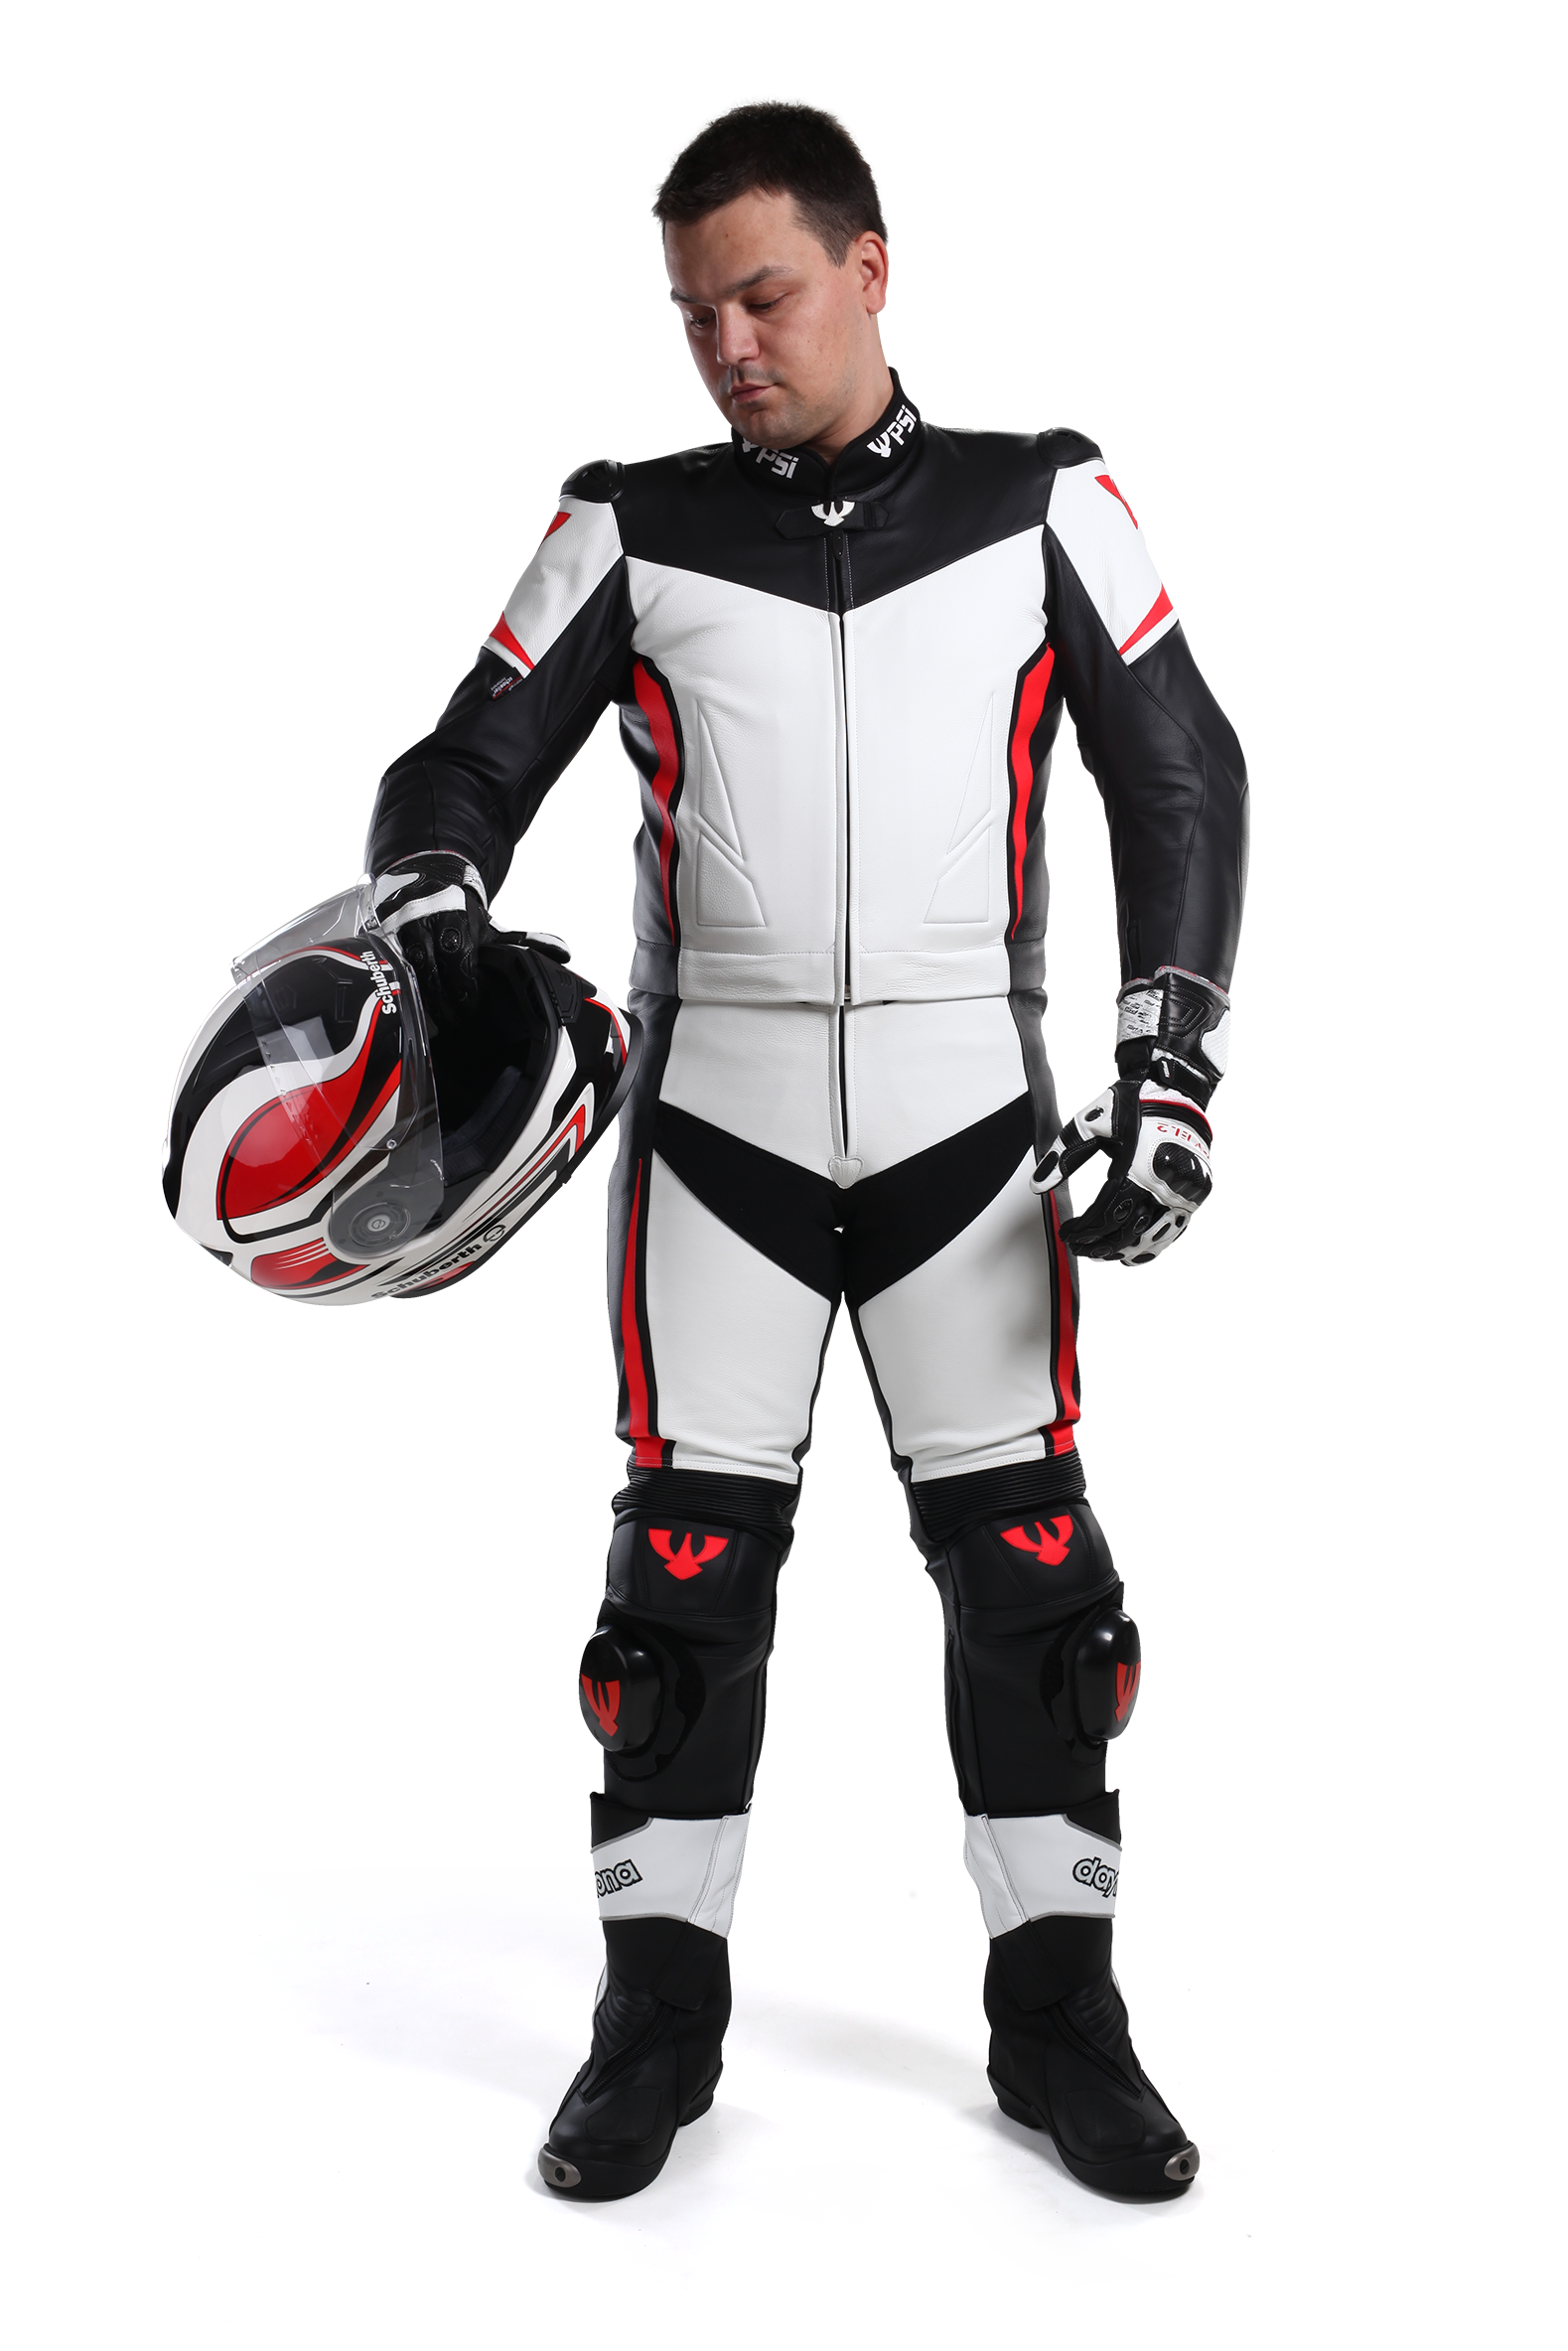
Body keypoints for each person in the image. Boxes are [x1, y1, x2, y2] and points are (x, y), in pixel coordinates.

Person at [364, 103, 1245, 2205]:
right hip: (722, 1115)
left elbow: (1182, 774)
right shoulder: (631, 527)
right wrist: (433, 897)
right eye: (696, 316)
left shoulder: (1047, 504)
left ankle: (1060, 2018)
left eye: (762, 296)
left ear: (870, 271)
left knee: (1033, 1579)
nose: (728, 346)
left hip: (963, 1104)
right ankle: (653, 2023)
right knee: (678, 1588)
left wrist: (1170, 1053)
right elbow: (466, 763)